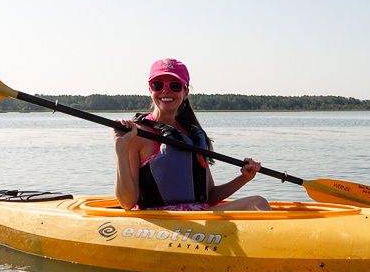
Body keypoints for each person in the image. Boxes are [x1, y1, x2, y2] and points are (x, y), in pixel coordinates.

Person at [114, 59, 271, 211]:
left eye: (175, 86)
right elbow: (127, 203)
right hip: (161, 221)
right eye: (158, 85)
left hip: (197, 218)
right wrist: (121, 149)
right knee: (258, 203)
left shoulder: (193, 135)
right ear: (150, 90)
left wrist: (244, 178)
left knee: (258, 204)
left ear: (186, 92)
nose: (166, 90)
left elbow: (208, 197)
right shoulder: (137, 134)